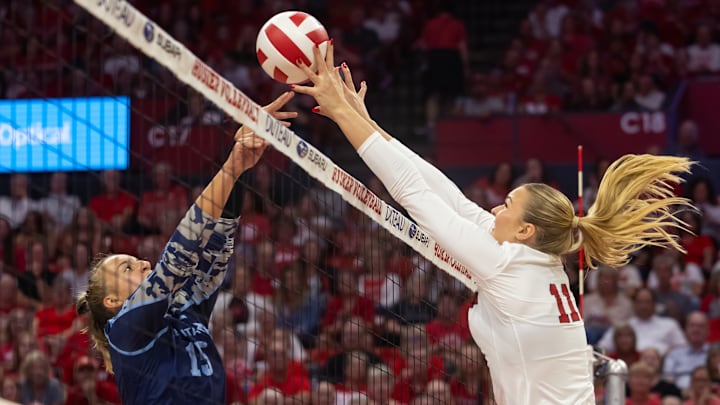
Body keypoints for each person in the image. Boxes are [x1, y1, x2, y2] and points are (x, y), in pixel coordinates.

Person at [292, 43, 696, 404]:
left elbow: (413, 193)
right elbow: (446, 193)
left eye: (506, 205)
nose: (494, 210)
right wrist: (367, 121)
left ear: (525, 231)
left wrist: (343, 115)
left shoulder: (506, 265)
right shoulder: (530, 260)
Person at [75, 92, 296, 405]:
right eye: (128, 267)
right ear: (113, 301)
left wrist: (244, 161)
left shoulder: (183, 309)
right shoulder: (123, 329)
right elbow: (178, 257)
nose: (143, 265)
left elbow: (219, 249)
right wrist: (233, 165)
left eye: (138, 261)